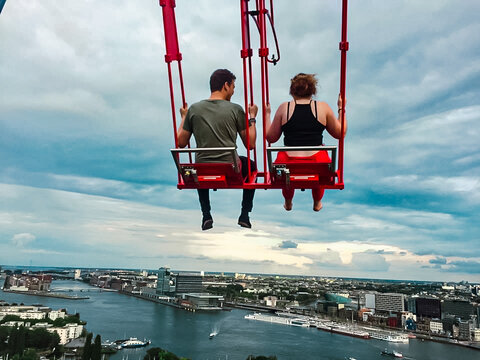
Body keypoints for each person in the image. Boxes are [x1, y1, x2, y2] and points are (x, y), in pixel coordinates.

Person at [177, 69, 258, 230]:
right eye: (233, 86)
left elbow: (181, 142)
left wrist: (184, 117)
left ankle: (206, 215)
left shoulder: (194, 109)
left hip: (202, 167)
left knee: (200, 170)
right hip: (231, 167)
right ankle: (244, 214)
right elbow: (251, 144)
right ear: (226, 85)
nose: (234, 91)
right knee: (251, 165)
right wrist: (252, 118)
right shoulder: (235, 109)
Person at [265, 73, 347, 211]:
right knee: (321, 167)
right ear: (313, 90)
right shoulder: (322, 108)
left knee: (285, 171)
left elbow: (271, 137)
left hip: (289, 162)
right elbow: (340, 133)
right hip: (316, 162)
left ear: (292, 90)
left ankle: (288, 201)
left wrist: (267, 114)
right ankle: (317, 201)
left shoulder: (284, 108)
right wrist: (341, 108)